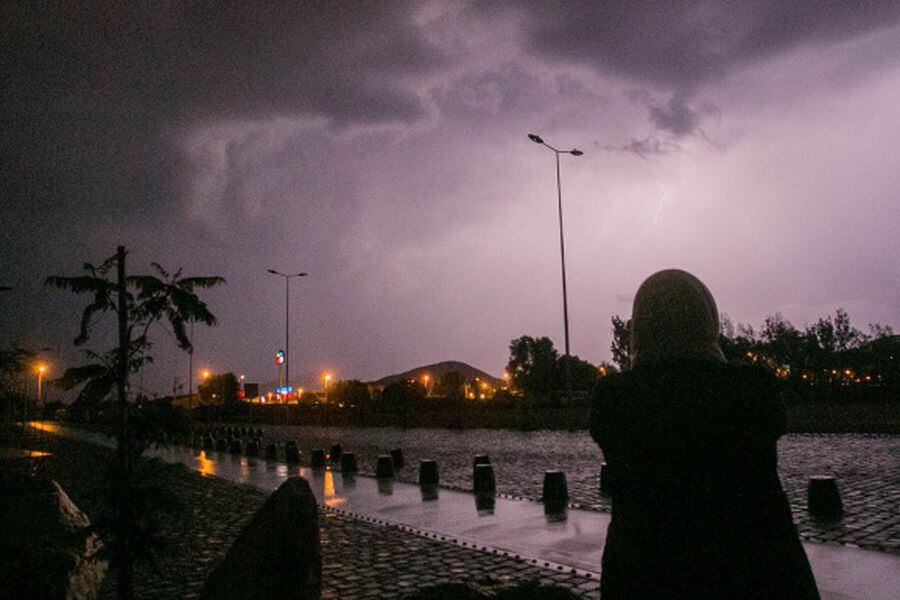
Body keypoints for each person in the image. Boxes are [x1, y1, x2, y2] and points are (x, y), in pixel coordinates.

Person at [590, 269, 820, 599]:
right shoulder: (749, 393)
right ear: (706, 320)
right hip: (760, 572)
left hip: (646, 575)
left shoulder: (617, 403)